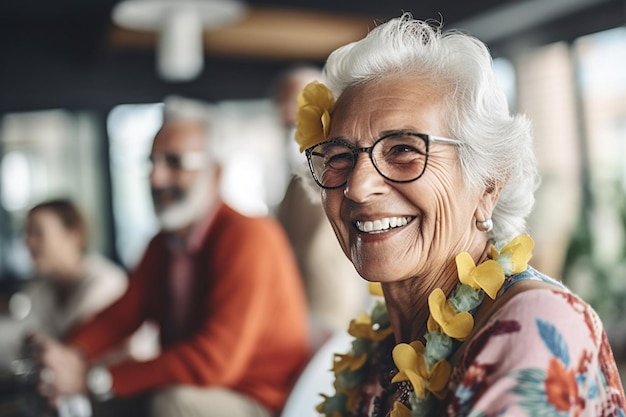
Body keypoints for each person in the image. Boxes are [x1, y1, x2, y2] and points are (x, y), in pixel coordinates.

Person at [292, 14, 626, 417]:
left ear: (488, 184)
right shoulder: (385, 348)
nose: (358, 187)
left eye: (403, 149)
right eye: (341, 156)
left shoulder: (535, 326)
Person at [28, 96, 311, 417]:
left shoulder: (250, 237)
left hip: (261, 398)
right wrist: (72, 355)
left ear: (215, 173)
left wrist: (96, 378)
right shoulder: (162, 244)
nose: (155, 178)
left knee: (171, 404)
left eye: (175, 162)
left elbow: (213, 362)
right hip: (206, 387)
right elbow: (121, 316)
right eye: (152, 162)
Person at [273, 66, 369, 348]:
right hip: (299, 314)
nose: (288, 112)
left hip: (340, 314)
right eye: (282, 104)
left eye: (297, 102)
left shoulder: (353, 174)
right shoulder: (296, 181)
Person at [20, 199, 128, 341]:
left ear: (74, 235)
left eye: (38, 233)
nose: (29, 242)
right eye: (27, 234)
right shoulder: (40, 290)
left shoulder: (108, 285)